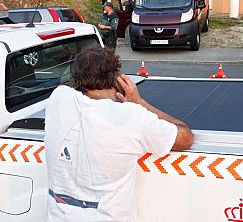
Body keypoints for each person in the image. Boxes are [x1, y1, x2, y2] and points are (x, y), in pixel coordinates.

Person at [45, 46, 194, 221]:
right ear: (116, 78)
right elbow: (185, 137)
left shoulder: (58, 98)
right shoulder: (132, 117)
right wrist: (138, 102)